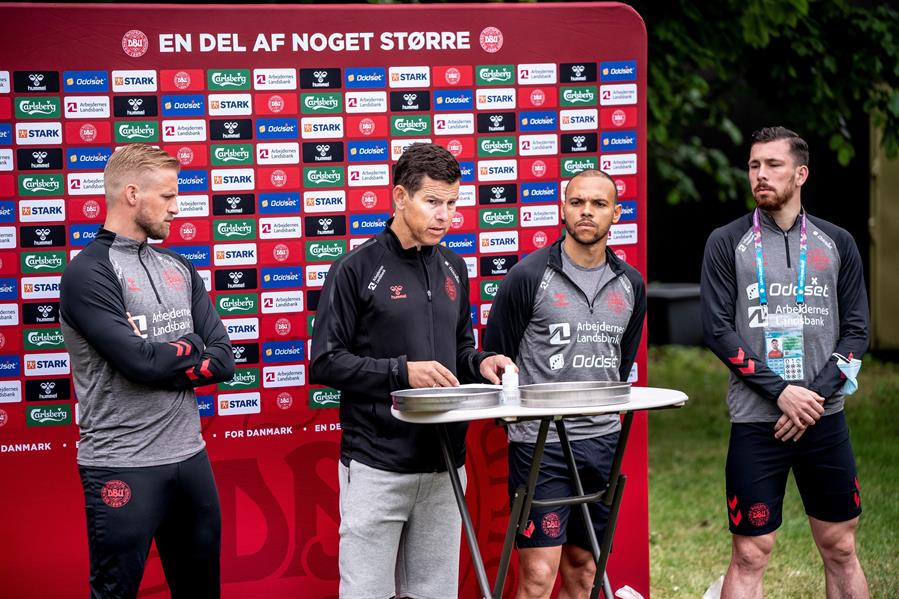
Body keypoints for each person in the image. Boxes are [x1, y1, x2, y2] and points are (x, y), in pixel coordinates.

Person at [309, 142, 514, 599]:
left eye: (453, 203)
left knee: (434, 594)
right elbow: (324, 361)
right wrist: (402, 373)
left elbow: (459, 350)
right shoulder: (355, 268)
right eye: (433, 201)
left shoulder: (455, 267)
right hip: (377, 465)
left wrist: (483, 361)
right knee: (367, 594)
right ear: (400, 197)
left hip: (445, 465)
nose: (445, 215)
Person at [60, 144, 235, 598]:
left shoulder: (178, 265)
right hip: (121, 464)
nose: (178, 208)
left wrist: (171, 357)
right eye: (168, 196)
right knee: (115, 592)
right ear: (132, 194)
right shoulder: (88, 272)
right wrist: (191, 349)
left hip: (190, 459)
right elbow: (139, 363)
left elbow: (224, 358)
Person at [701, 126, 869, 598]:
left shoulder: (838, 242)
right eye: (754, 165)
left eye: (773, 165)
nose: (760, 175)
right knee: (751, 551)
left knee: (839, 546)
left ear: (801, 173)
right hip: (758, 421)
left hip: (824, 417)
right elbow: (717, 330)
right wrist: (781, 392)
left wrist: (812, 397)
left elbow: (857, 331)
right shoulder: (725, 241)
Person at [485, 169, 646, 599]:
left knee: (586, 566)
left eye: (597, 204)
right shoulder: (528, 276)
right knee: (538, 575)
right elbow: (496, 358)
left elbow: (619, 364)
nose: (586, 212)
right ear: (563, 208)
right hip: (542, 445)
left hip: (602, 442)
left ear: (616, 212)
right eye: (577, 202)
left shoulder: (631, 284)